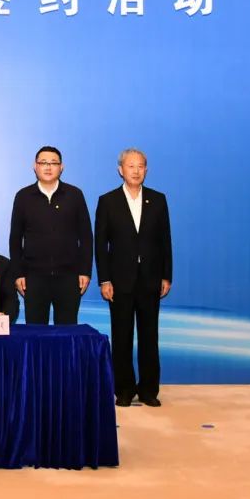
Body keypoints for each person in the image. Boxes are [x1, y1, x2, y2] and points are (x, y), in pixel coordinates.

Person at [95, 148, 173, 408]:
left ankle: (149, 390)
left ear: (146, 170)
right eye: (131, 166)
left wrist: (166, 275)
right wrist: (105, 280)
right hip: (119, 281)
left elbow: (165, 241)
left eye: (141, 166)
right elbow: (100, 245)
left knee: (150, 337)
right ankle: (124, 390)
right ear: (121, 170)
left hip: (151, 279)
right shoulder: (108, 201)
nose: (136, 171)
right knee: (122, 336)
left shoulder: (158, 200)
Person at [9, 145, 93, 325]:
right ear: (35, 166)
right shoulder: (23, 196)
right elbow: (15, 239)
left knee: (67, 330)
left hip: (69, 277)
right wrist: (18, 274)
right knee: (36, 332)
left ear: (61, 167)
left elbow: (86, 236)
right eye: (43, 163)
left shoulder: (74, 195)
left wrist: (85, 271)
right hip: (34, 277)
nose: (48, 167)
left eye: (53, 163)